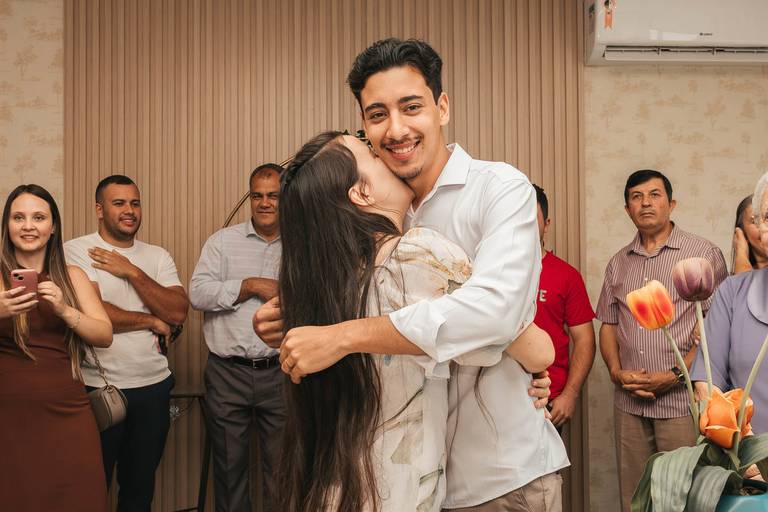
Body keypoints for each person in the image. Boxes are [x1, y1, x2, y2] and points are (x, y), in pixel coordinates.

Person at [257, 39, 566, 511]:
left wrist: (342, 335)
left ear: (442, 107)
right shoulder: (376, 212)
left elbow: (498, 314)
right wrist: (297, 314)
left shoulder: (498, 188)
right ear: (365, 125)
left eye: (412, 107)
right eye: (378, 114)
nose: (396, 128)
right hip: (408, 482)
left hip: (500, 474)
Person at [596, 169, 728, 512]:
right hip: (630, 404)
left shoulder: (702, 254)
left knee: (685, 497)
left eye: (654, 195)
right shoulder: (618, 264)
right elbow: (608, 324)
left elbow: (717, 328)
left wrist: (675, 375)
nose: (645, 203)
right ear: (627, 209)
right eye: (636, 197)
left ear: (671, 204)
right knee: (635, 498)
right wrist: (615, 372)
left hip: (682, 403)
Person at [64, 175, 189, 511]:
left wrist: (131, 270)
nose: (129, 210)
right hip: (97, 388)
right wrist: (150, 320)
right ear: (99, 209)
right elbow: (93, 313)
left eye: (135, 203)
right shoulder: (76, 250)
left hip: (153, 388)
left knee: (139, 492)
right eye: (119, 203)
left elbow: (177, 310)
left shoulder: (157, 256)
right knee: (90, 489)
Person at [0, 184, 113, 512]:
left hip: (68, 415)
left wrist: (65, 310)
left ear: (53, 227)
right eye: (18, 217)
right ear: (7, 226)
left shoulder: (72, 276)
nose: (28, 226)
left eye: (38, 217)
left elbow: (104, 334)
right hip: (8, 417)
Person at [189, 163, 284, 512]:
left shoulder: (304, 243)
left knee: (282, 470)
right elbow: (197, 294)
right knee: (229, 472)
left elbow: (318, 300)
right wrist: (249, 285)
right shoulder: (222, 242)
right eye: (257, 195)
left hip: (282, 372)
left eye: (273, 195)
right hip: (227, 373)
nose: (264, 203)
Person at [692, 172, 768, 436]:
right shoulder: (732, 292)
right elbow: (707, 382)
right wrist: (741, 449)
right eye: (767, 217)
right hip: (748, 455)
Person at [532, 184, 596, 430]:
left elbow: (585, 340)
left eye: (532, 217)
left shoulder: (566, 275)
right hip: (497, 396)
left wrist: (570, 394)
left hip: (548, 399)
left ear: (546, 224)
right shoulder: (491, 272)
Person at [731, 194, 768, 274]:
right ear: (742, 233)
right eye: (755, 221)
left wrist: (741, 252)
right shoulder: (731, 281)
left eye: (767, 218)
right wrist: (741, 252)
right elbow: (744, 281)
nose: (764, 227)